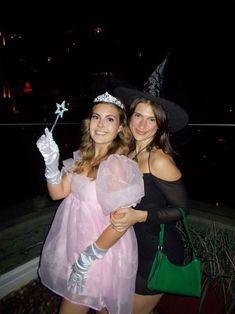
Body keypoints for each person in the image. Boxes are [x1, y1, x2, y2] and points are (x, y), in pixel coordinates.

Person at [36, 91, 145, 314]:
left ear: (120, 128)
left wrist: (87, 259)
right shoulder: (82, 157)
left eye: (110, 119)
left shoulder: (117, 165)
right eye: (96, 117)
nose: (101, 124)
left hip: (100, 249)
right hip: (75, 243)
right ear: (89, 122)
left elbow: (120, 224)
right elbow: (58, 193)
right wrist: (50, 165)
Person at [111, 87, 189, 314]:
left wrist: (140, 215)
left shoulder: (159, 160)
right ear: (130, 116)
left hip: (156, 253)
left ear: (160, 125)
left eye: (151, 119)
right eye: (138, 116)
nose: (142, 125)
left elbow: (183, 210)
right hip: (129, 247)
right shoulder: (128, 152)